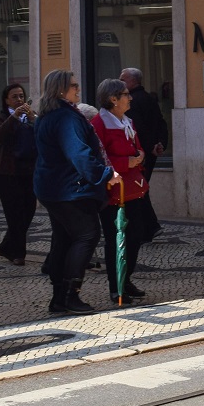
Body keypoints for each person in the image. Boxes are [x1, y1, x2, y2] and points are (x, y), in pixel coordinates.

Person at [34, 70, 116, 315]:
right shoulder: (66, 117)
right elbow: (78, 153)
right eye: (73, 85)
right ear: (60, 89)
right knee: (87, 235)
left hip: (51, 187)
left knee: (63, 240)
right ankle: (71, 295)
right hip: (70, 189)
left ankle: (58, 298)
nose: (77, 89)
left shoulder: (46, 116)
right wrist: (105, 175)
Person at [90, 79, 160, 303]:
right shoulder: (99, 123)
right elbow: (99, 157)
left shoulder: (127, 121)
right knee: (116, 239)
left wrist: (139, 155)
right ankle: (116, 287)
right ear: (113, 99)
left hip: (134, 188)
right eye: (126, 94)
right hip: (113, 190)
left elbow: (135, 146)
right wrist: (125, 163)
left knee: (136, 236)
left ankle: (126, 278)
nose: (130, 98)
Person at [0, 83, 39, 265]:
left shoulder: (30, 117)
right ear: (6, 100)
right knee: (15, 214)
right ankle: (18, 254)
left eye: (21, 96)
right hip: (6, 174)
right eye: (14, 97)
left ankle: (5, 247)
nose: (19, 99)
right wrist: (14, 117)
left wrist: (34, 119)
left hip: (28, 172)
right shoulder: (3, 117)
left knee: (29, 211)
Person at [119, 68, 168, 180]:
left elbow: (137, 127)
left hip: (139, 152)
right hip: (150, 149)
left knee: (138, 188)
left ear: (133, 81)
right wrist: (160, 143)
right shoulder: (149, 98)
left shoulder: (131, 101)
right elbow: (161, 123)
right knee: (142, 186)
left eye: (123, 80)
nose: (120, 83)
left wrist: (151, 146)